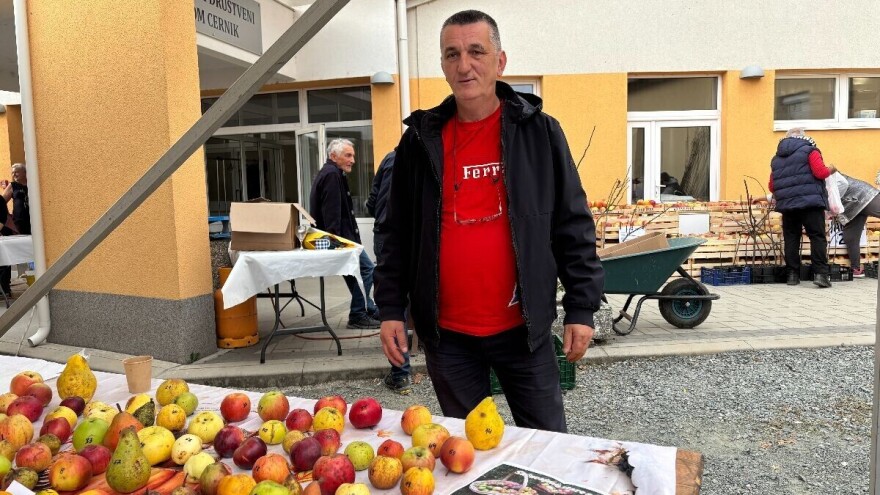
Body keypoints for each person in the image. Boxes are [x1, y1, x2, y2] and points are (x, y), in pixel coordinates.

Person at [374, 10, 604, 432]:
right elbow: (395, 232)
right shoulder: (418, 142)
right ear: (443, 66)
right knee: (467, 455)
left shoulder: (540, 133)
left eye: (476, 51)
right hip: (449, 338)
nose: (465, 65)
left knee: (547, 448)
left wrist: (581, 307)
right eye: (452, 54)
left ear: (500, 61)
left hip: (524, 331)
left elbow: (573, 225)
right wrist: (390, 307)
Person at [309, 139, 380, 329]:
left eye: (353, 155)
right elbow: (331, 212)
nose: (353, 160)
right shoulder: (332, 175)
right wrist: (337, 243)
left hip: (340, 238)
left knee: (356, 272)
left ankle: (368, 307)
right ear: (334, 156)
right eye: (348, 155)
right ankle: (358, 313)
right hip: (339, 239)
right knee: (366, 269)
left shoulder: (333, 173)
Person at [366, 149, 413, 393]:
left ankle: (401, 374)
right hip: (410, 237)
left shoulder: (389, 158)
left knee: (396, 303)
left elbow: (372, 203)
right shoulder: (417, 157)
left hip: (387, 236)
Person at [769, 128, 836, 288]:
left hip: (788, 206)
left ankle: (792, 275)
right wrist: (831, 170)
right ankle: (820, 274)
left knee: (792, 238)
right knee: (817, 236)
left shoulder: (776, 158)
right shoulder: (810, 151)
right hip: (810, 203)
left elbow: (772, 186)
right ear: (802, 137)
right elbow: (820, 172)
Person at [834, 173, 880, 277]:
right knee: (850, 237)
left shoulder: (826, 174)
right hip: (852, 208)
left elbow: (842, 185)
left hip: (864, 196)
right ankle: (856, 268)